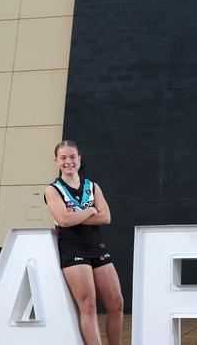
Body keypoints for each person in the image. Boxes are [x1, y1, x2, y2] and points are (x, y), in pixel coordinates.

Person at [44, 140, 123, 345]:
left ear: (79, 159)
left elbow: (106, 218)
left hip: (97, 247)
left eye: (72, 157)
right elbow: (63, 220)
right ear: (56, 161)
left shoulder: (92, 186)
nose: (68, 161)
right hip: (73, 250)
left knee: (116, 303)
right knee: (88, 306)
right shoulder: (52, 190)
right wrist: (89, 210)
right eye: (63, 158)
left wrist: (76, 216)